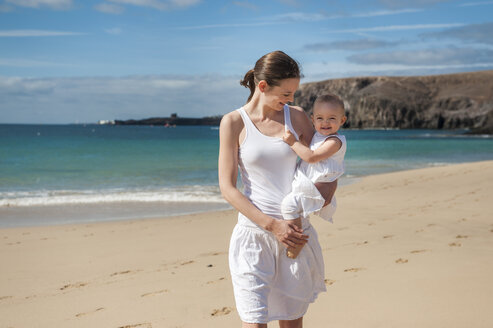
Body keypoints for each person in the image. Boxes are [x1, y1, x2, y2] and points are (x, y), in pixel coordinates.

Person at [218, 50, 337, 328]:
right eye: (285, 92)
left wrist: (326, 193)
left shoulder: (295, 117)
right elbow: (227, 187)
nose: (291, 99)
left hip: (295, 235)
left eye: (294, 92)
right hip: (254, 237)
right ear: (263, 87)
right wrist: (272, 225)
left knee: (291, 323)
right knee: (254, 321)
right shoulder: (234, 122)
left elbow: (325, 161)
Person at [281, 94, 347, 259]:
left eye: (332, 118)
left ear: (342, 120)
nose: (325, 123)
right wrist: (303, 143)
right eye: (320, 118)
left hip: (319, 189)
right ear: (313, 120)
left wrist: (293, 143)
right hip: (313, 187)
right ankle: (297, 231)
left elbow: (312, 157)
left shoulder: (335, 141)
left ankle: (296, 241)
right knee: (293, 206)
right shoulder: (318, 137)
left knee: (289, 205)